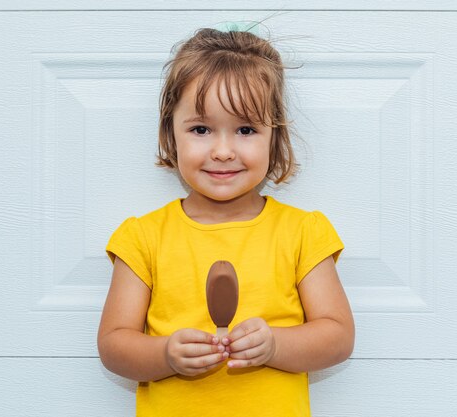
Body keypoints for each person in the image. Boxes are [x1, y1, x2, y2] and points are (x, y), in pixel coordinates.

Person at [97, 24, 355, 417]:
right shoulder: (142, 237)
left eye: (246, 129)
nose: (222, 151)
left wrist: (275, 346)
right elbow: (114, 345)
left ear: (275, 138)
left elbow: (337, 337)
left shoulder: (304, 233)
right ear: (171, 134)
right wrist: (165, 354)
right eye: (201, 129)